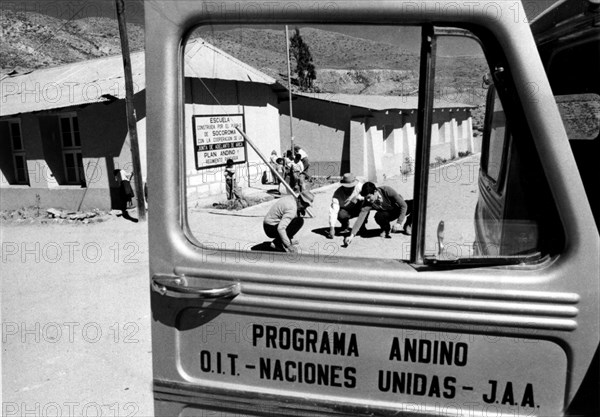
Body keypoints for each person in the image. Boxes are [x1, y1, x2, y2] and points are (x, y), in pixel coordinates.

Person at [344, 182, 409, 246]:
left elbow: (404, 206)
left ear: (375, 191)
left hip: (397, 209)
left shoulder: (387, 190)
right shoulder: (367, 202)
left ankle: (409, 224)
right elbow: (360, 219)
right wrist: (351, 236)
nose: (368, 200)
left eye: (369, 197)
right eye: (366, 198)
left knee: (415, 203)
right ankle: (385, 229)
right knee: (379, 216)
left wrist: (399, 223)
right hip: (387, 214)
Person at [326, 173, 365, 239]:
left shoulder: (360, 187)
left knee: (364, 204)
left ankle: (362, 225)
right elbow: (333, 211)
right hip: (346, 210)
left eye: (351, 187)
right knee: (340, 214)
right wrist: (332, 228)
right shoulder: (337, 194)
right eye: (347, 187)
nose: (349, 189)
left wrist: (358, 197)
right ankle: (345, 225)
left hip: (358, 208)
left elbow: (368, 196)